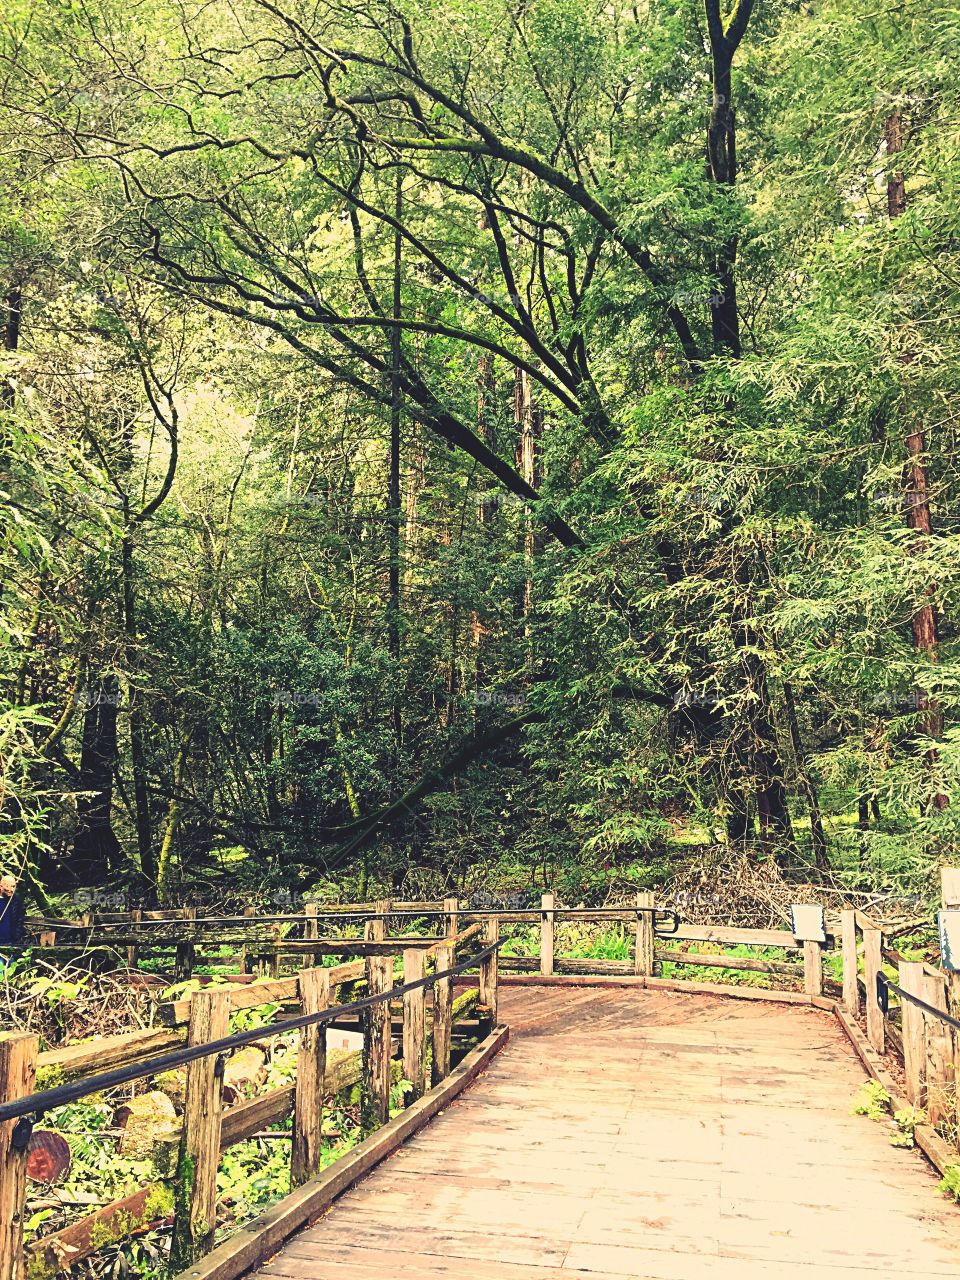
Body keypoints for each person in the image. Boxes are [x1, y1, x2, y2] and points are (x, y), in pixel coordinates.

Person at [0, 874, 27, 964]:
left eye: (13, 886)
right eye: (8, 886)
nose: (11, 889)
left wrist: (17, 938)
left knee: (9, 970)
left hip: (10, 943)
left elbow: (19, 921)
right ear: (1, 886)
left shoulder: (16, 901)